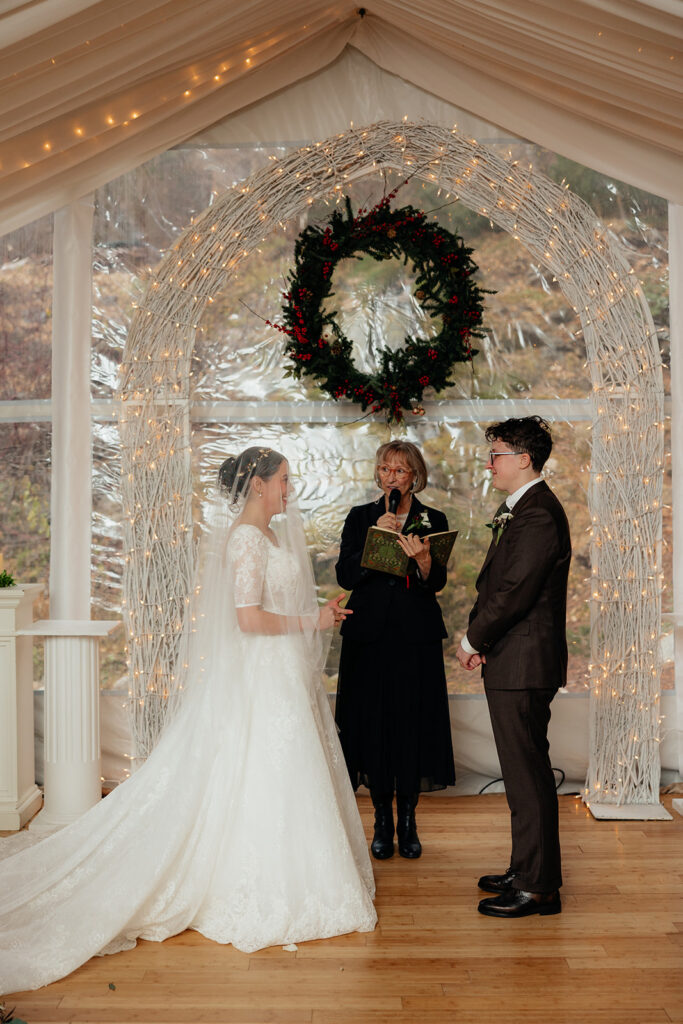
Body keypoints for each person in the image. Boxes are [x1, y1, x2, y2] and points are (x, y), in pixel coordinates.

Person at [0, 447, 377, 994]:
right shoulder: (246, 539)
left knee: (283, 775)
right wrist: (309, 619)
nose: (289, 489)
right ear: (257, 486)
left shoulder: (267, 536)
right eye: (284, 480)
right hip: (259, 677)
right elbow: (247, 619)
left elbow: (270, 601)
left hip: (279, 674)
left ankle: (297, 872)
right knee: (263, 771)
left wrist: (317, 614)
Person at [456, 416, 571, 918]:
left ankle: (538, 885)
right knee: (523, 772)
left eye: (496, 453)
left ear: (524, 458)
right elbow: (498, 585)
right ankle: (527, 868)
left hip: (523, 662)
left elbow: (512, 594)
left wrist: (471, 638)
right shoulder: (523, 509)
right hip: (513, 658)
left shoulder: (538, 514)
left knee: (527, 774)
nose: (490, 463)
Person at [335, 440, 455, 860]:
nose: (391, 477)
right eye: (385, 469)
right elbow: (346, 575)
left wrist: (423, 561)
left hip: (414, 639)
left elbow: (435, 581)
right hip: (367, 638)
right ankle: (381, 821)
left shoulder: (432, 518)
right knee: (373, 724)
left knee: (410, 724)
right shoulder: (361, 517)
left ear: (414, 477)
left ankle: (409, 820)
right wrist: (376, 540)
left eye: (400, 471)